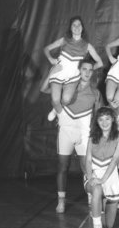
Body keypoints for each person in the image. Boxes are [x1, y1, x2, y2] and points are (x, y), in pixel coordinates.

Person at [41, 57, 102, 213]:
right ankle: (61, 201)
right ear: (79, 70)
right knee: (62, 166)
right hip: (66, 130)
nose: (87, 72)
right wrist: (51, 74)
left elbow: (99, 116)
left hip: (84, 132)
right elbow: (43, 89)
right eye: (84, 69)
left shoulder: (95, 92)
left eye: (90, 70)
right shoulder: (67, 88)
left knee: (86, 167)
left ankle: (91, 199)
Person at [42, 16, 103, 121]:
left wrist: (87, 69)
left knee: (66, 99)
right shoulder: (64, 40)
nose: (76, 27)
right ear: (70, 28)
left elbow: (100, 63)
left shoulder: (87, 45)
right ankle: (58, 112)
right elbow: (46, 48)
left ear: (82, 28)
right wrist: (51, 59)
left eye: (79, 25)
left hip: (73, 75)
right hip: (59, 71)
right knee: (55, 100)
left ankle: (55, 110)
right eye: (74, 25)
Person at [84, 107, 119, 228]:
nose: (104, 122)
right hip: (94, 173)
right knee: (96, 189)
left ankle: (100, 204)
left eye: (107, 118)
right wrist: (91, 177)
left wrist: (103, 179)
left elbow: (115, 160)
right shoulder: (92, 137)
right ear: (96, 121)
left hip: (110, 176)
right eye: (101, 119)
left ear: (113, 119)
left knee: (109, 225)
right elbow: (88, 159)